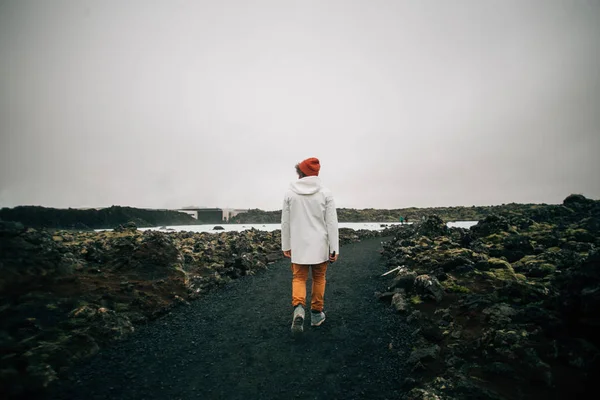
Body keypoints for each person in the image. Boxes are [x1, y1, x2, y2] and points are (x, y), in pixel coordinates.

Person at [281, 157, 339, 333]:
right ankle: (316, 314)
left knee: (299, 278)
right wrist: (334, 247)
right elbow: (331, 223)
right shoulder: (325, 193)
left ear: (300, 172)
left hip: (298, 245)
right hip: (320, 245)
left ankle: (299, 308)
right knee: (319, 278)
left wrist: (286, 245)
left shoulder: (290, 193)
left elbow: (285, 222)